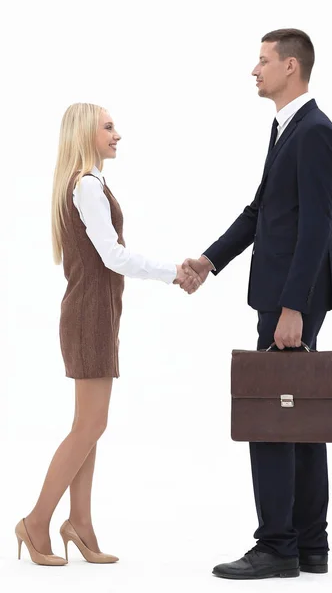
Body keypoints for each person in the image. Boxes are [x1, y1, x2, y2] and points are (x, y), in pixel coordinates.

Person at [182, 28, 332, 579]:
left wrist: (292, 307)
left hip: (290, 300)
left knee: (270, 417)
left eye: (262, 61)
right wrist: (209, 260)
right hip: (284, 296)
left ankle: (277, 546)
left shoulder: (315, 132)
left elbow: (318, 224)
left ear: (291, 68)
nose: (254, 71)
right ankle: (310, 544)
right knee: (301, 417)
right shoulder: (289, 130)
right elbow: (262, 211)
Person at [15, 103, 200, 566]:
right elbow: (114, 257)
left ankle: (80, 523)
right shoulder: (87, 186)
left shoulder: (83, 184)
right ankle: (35, 522)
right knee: (89, 425)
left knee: (89, 427)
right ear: (86, 133)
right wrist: (171, 272)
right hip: (89, 316)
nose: (118, 134)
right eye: (109, 127)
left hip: (95, 313)